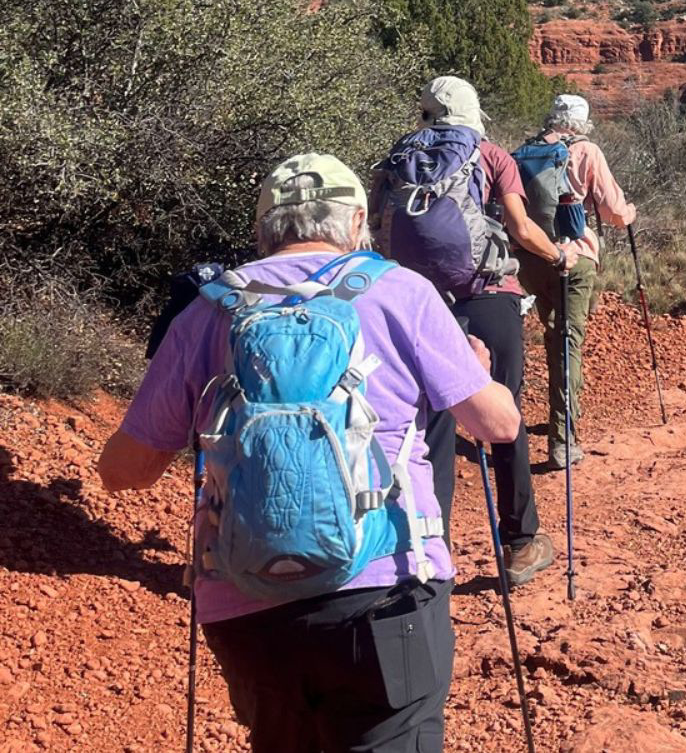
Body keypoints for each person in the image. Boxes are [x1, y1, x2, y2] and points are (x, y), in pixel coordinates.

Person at [96, 153, 521, 752]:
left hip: (246, 605)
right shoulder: (402, 292)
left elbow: (123, 473)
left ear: (262, 232)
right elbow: (498, 425)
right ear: (354, 223)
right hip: (384, 591)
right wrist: (476, 368)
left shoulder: (205, 312)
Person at [372, 76, 578, 588]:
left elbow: (374, 226)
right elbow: (521, 228)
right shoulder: (490, 155)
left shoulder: (397, 159)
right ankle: (521, 542)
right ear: (472, 112)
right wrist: (560, 256)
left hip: (417, 301)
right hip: (486, 291)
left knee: (429, 420)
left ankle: (426, 544)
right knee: (502, 411)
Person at [513, 94, 636, 469]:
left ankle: (551, 419)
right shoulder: (586, 151)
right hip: (573, 258)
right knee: (568, 342)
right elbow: (614, 212)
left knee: (552, 337)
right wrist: (630, 213)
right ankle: (563, 441)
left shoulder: (523, 151)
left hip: (530, 258)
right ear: (583, 121)